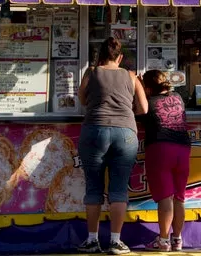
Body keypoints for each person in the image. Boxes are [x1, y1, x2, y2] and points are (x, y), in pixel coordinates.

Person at [77, 38, 147, 254]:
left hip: (94, 130)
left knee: (93, 188)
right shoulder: (130, 75)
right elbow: (144, 108)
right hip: (125, 133)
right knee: (118, 189)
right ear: (120, 57)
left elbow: (81, 99)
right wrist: (126, 112)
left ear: (101, 55)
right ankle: (116, 241)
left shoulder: (91, 72)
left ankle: (91, 240)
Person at [139, 70, 191, 252]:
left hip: (160, 148)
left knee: (165, 197)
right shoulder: (178, 96)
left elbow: (138, 113)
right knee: (179, 197)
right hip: (183, 148)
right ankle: (177, 239)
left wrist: (137, 89)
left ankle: (162, 241)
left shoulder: (148, 103)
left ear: (147, 88)